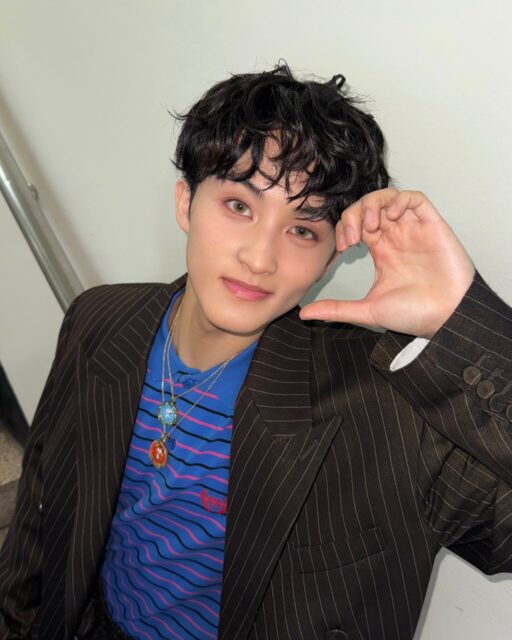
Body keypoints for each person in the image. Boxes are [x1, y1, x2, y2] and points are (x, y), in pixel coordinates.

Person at [1, 63, 511, 640]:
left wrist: (461, 322)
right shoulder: (100, 319)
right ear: (185, 202)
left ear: (331, 257)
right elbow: (42, 506)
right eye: (239, 207)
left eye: (303, 230)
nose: (259, 258)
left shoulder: (390, 405)